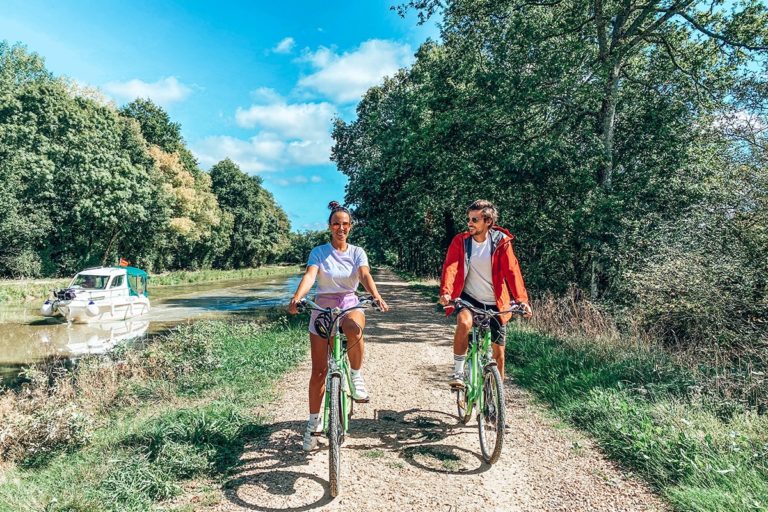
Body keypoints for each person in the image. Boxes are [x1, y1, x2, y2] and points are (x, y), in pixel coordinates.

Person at [288, 201, 390, 451]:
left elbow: (365, 275)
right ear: (330, 227)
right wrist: (298, 297)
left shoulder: (357, 252)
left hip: (349, 303)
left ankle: (355, 376)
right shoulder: (319, 252)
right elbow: (311, 275)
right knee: (319, 371)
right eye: (336, 224)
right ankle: (313, 426)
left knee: (354, 328)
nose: (340, 228)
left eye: (345, 224)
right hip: (323, 306)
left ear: (350, 227)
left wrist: (375, 294)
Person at [438, 200, 532, 386]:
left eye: (475, 219)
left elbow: (512, 272)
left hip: (497, 303)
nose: (469, 223)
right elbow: (451, 266)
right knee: (464, 322)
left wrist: (522, 300)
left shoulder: (501, 242)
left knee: (499, 354)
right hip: (469, 299)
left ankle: (496, 403)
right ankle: (458, 374)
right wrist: (446, 292)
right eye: (469, 219)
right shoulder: (461, 241)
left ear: (488, 221)